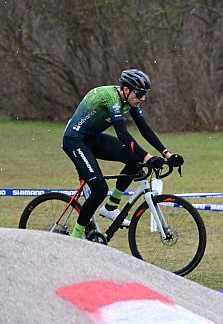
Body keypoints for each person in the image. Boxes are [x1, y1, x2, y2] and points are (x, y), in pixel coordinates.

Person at [62, 69, 184, 239]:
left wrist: (167, 154)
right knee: (99, 189)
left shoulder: (129, 102)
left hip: (93, 138)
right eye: (140, 94)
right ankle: (75, 236)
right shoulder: (111, 98)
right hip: (75, 140)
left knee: (133, 159)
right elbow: (123, 135)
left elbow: (144, 129)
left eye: (145, 94)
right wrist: (148, 158)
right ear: (126, 90)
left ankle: (111, 207)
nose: (142, 99)